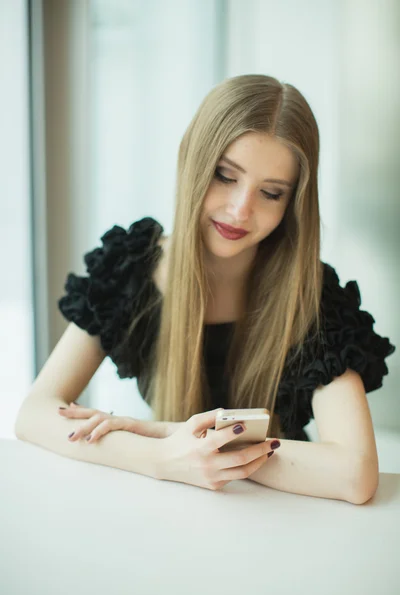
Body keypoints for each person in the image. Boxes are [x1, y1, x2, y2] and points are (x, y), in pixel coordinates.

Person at [15, 74, 395, 503]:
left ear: (292, 205)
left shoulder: (318, 300)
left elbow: (354, 475)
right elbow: (34, 415)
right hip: (176, 512)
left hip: (289, 515)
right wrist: (159, 458)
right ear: (192, 162)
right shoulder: (129, 269)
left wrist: (170, 436)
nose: (240, 210)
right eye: (225, 176)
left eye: (271, 193)